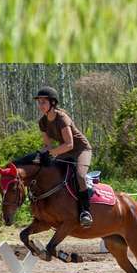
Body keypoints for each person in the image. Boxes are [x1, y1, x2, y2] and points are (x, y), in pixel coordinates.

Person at [36, 86, 96, 227]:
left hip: (81, 150)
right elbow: (48, 146)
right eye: (39, 102)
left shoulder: (62, 118)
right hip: (65, 151)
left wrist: (50, 153)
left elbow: (70, 144)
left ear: (52, 103)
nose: (40, 105)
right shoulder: (42, 122)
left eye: (43, 102)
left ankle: (85, 212)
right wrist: (40, 155)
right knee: (51, 172)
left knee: (80, 176)